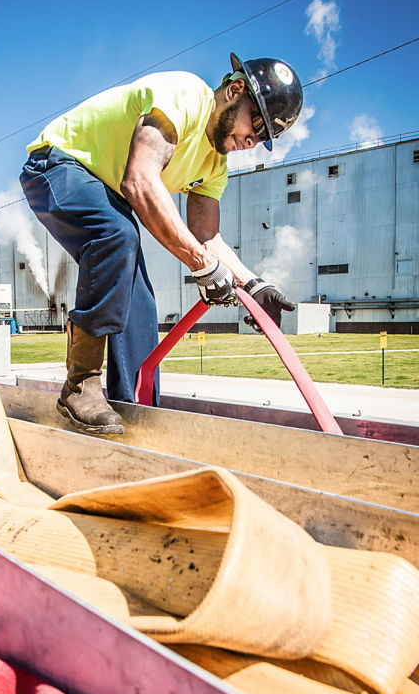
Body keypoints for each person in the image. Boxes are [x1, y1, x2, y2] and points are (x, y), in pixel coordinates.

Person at [20, 52, 302, 436]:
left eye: (264, 137)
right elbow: (139, 182)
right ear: (235, 90)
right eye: (256, 124)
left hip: (108, 191)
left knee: (138, 303)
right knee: (117, 235)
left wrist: (252, 284)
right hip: (57, 164)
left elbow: (207, 237)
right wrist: (201, 264)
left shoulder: (214, 164)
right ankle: (79, 387)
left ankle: (135, 411)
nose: (253, 140)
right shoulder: (185, 97)